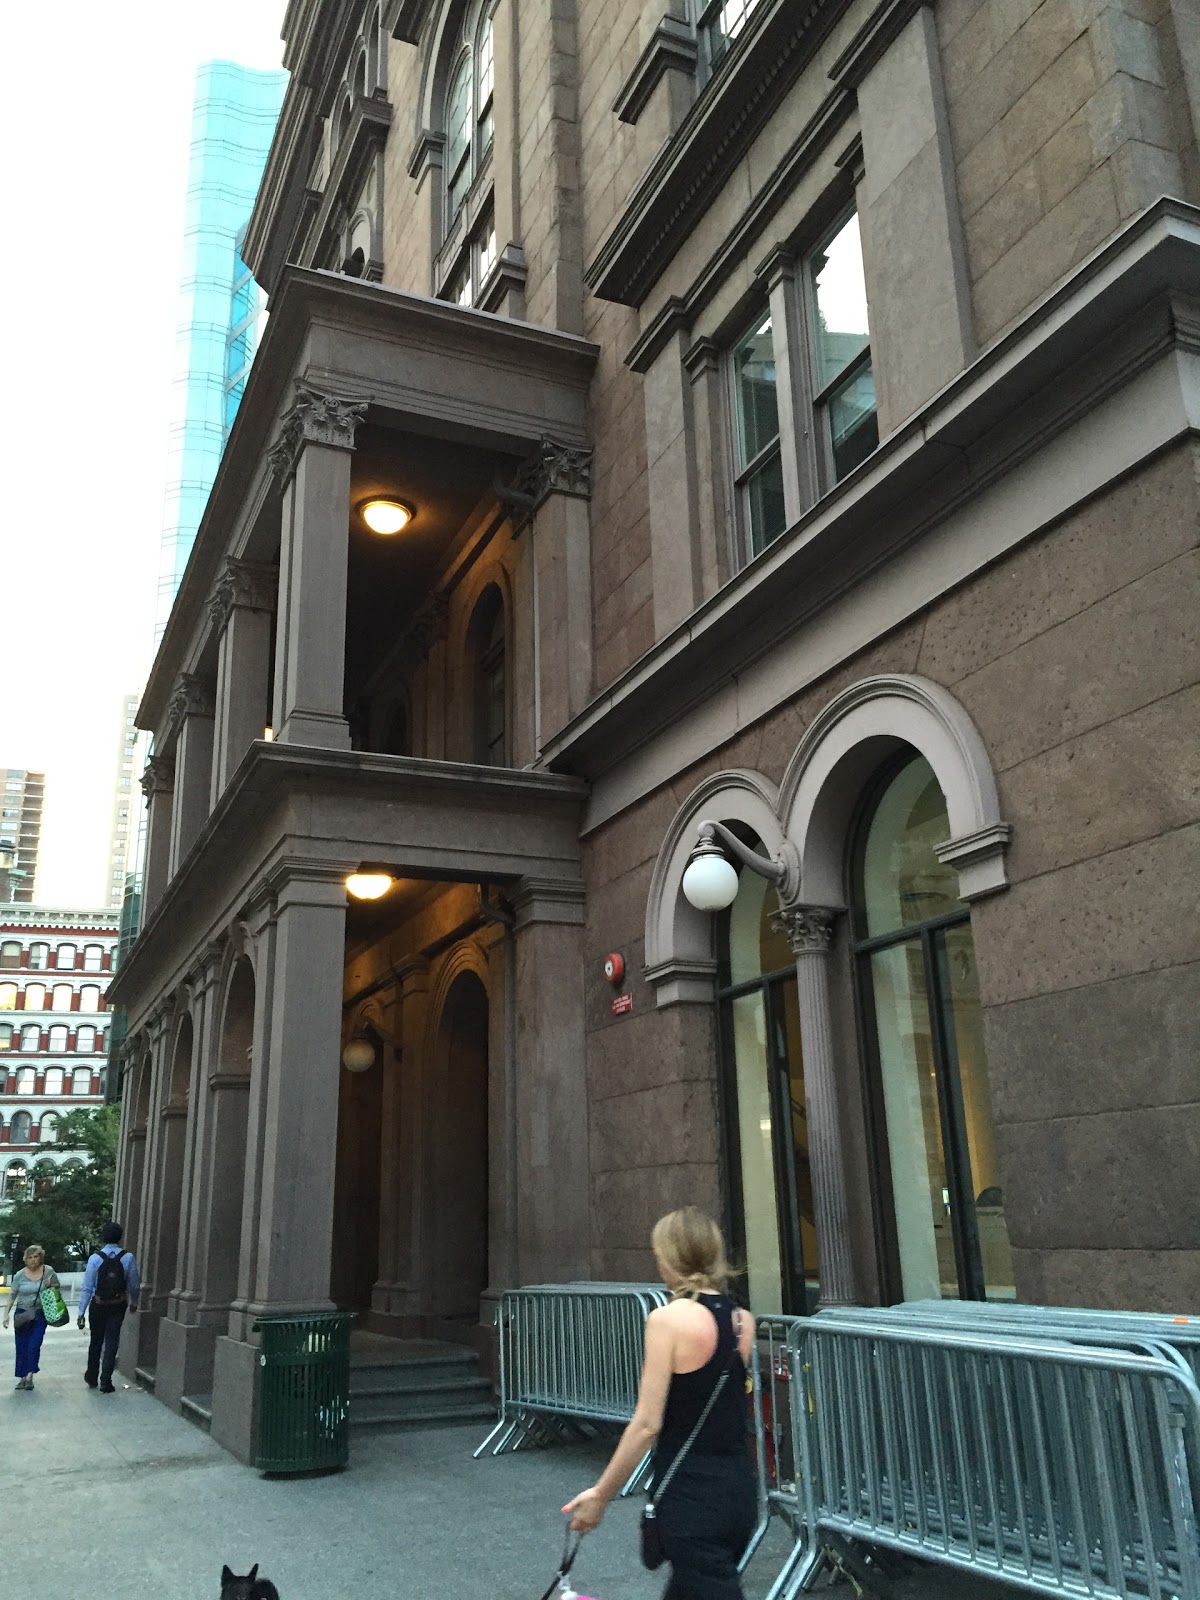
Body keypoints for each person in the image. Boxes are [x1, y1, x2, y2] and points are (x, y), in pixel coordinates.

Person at [564, 1207, 757, 1599]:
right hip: (738, 1491)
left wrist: (601, 1495)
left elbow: (647, 1423)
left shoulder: (667, 1321)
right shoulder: (742, 1321)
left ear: (671, 1257)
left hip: (689, 1495)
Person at [77, 1219, 140, 1393]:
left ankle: (91, 1376)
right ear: (120, 1237)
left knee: (95, 1341)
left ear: (103, 1237)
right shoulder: (127, 1257)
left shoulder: (95, 1258)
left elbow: (87, 1287)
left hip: (98, 1305)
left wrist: (81, 1312)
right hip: (117, 1305)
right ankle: (106, 1380)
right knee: (112, 1341)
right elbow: (134, 1283)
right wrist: (134, 1302)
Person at [3, 1244, 62, 1390]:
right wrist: (6, 1314)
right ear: (26, 1259)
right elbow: (12, 1295)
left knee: (34, 1345)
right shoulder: (19, 1275)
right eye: (30, 1257)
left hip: (40, 1314)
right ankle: (22, 1377)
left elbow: (57, 1286)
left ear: (40, 1257)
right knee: (22, 1346)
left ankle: (30, 1375)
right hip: (22, 1313)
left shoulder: (48, 1271)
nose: (33, 1260)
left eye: (36, 1256)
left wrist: (51, 1284)